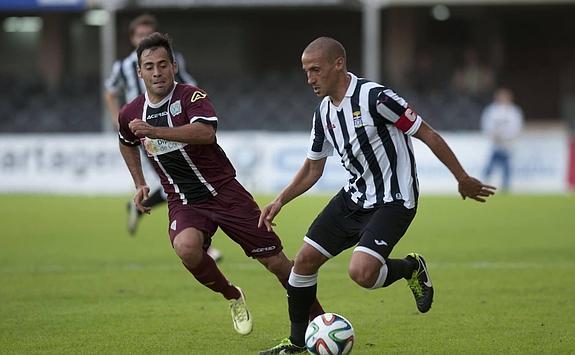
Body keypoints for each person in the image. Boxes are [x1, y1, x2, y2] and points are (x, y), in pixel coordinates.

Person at [258, 37, 496, 354]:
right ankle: (296, 342)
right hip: (354, 197)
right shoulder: (324, 114)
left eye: (315, 70)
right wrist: (281, 199)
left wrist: (462, 177)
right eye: (306, 71)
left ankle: (411, 268)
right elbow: (313, 168)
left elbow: (427, 133)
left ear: (338, 64)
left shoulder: (376, 98)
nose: (310, 79)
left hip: (394, 199)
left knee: (362, 273)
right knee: (303, 262)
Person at [117, 32, 323, 336]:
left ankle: (319, 321)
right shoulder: (130, 113)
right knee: (187, 248)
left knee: (277, 263)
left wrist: (156, 132)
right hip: (184, 200)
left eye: (163, 64)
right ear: (139, 72)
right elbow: (126, 141)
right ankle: (232, 295)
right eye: (149, 66)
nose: (157, 72)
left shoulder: (192, 97)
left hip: (226, 194)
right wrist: (139, 182)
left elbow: (205, 133)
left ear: (173, 66)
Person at [104, 14, 215, 250]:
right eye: (139, 35)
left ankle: (193, 235)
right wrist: (116, 119)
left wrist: (196, 110)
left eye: (148, 35)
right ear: (133, 39)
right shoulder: (123, 67)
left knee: (180, 182)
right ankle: (197, 239)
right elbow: (110, 91)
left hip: (173, 126)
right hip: (146, 131)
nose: (143, 38)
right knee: (178, 182)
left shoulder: (173, 62)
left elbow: (189, 85)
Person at [480, 87, 524, 192]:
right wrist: (492, 134)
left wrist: (507, 136)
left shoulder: (514, 111)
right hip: (495, 145)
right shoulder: (492, 110)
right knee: (489, 167)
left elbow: (517, 127)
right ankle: (483, 185)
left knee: (506, 168)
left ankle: (506, 188)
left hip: (508, 145)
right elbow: (486, 125)